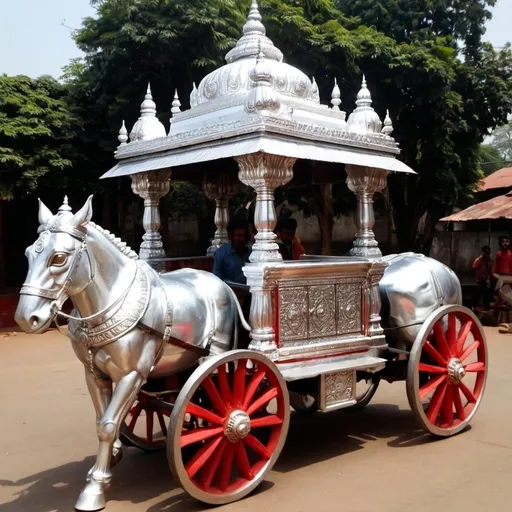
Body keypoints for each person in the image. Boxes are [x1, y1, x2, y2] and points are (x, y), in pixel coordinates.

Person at [213, 220, 251, 284]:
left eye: (244, 236)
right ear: (230, 236)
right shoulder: (221, 253)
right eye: (238, 236)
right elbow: (217, 279)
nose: (242, 239)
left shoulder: (251, 253)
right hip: (229, 291)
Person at [472, 245, 492, 309]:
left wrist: (488, 279)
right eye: (485, 252)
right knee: (477, 294)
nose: (486, 254)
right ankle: (474, 306)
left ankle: (486, 307)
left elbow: (490, 270)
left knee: (486, 294)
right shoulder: (478, 259)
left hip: (486, 280)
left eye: (487, 253)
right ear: (482, 252)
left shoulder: (489, 261)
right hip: (479, 280)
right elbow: (474, 268)